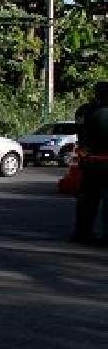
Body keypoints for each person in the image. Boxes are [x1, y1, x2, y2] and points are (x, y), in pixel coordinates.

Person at [73, 81, 108, 244]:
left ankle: (82, 232)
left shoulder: (84, 110)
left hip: (89, 162)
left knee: (87, 199)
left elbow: (81, 133)